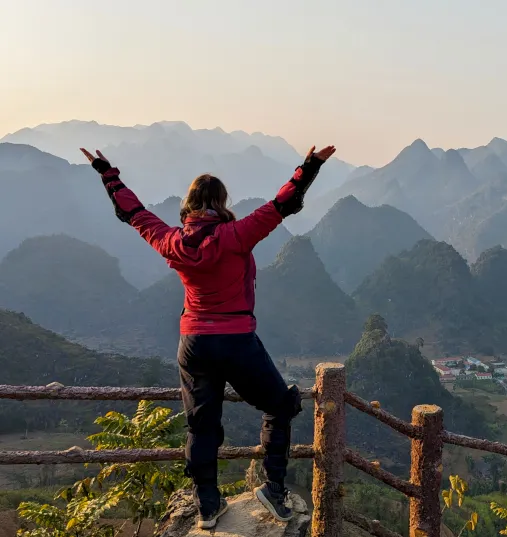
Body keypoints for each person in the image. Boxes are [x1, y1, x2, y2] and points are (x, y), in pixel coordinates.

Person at [80, 144, 336, 529]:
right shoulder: (237, 235)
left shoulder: (172, 241)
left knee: (201, 425)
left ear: (189, 204)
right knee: (281, 406)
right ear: (220, 202)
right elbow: (282, 204)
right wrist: (309, 166)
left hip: (194, 343)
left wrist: (107, 174)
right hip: (236, 340)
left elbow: (134, 214)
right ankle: (273, 488)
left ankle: (207, 504)